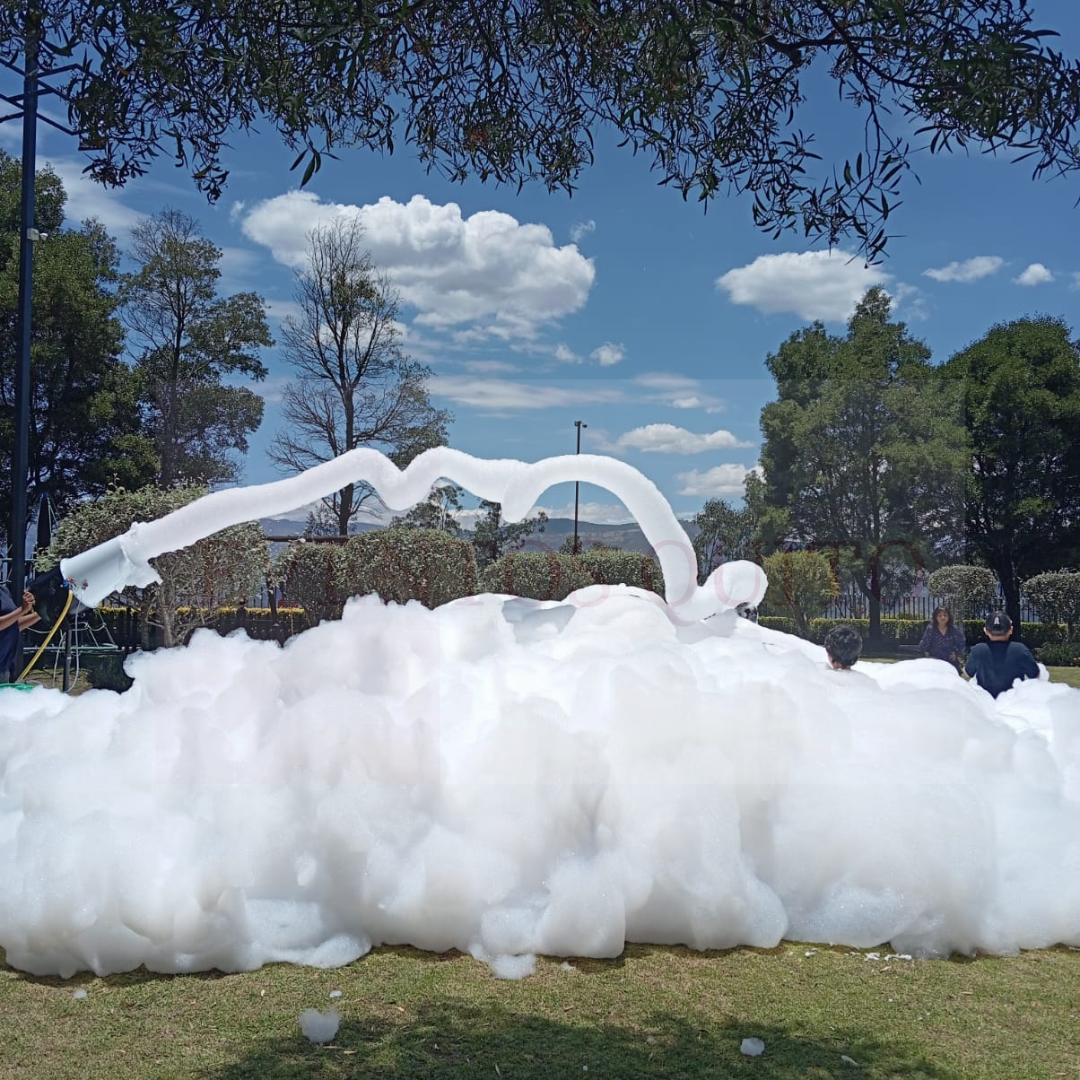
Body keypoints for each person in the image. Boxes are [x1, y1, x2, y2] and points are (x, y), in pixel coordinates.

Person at [963, 612, 1040, 699]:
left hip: (986, 703)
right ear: (1011, 629)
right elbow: (1035, 675)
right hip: (1013, 704)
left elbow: (968, 673)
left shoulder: (978, 650)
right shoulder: (1020, 649)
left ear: (986, 631)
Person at [0, 582, 41, 683]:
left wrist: (43, 613)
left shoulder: (3, 591)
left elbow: (12, 625)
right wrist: (22, 610)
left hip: (5, 668)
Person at [917, 605, 967, 673]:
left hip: (950, 662)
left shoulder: (953, 629)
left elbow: (962, 641)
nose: (942, 617)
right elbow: (924, 644)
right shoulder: (931, 629)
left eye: (945, 615)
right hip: (935, 663)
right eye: (940, 615)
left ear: (948, 616)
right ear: (935, 617)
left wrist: (957, 653)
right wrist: (927, 656)